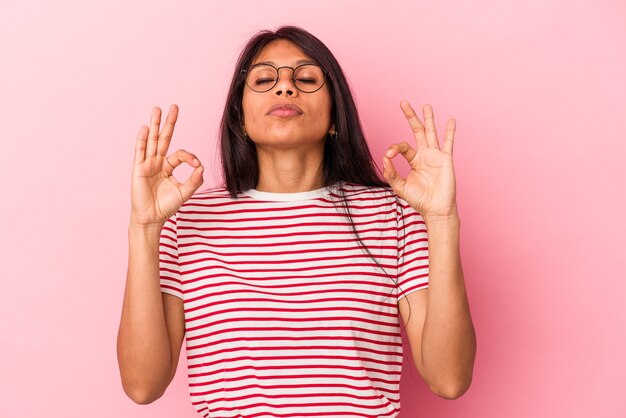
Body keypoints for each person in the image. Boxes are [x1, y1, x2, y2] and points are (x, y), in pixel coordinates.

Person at [117, 25, 476, 417]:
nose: (285, 87)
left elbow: (449, 378)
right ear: (240, 118)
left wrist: (442, 219)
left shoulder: (392, 216)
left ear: (336, 117)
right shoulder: (189, 220)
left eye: (305, 78)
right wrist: (145, 227)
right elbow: (142, 385)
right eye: (264, 78)